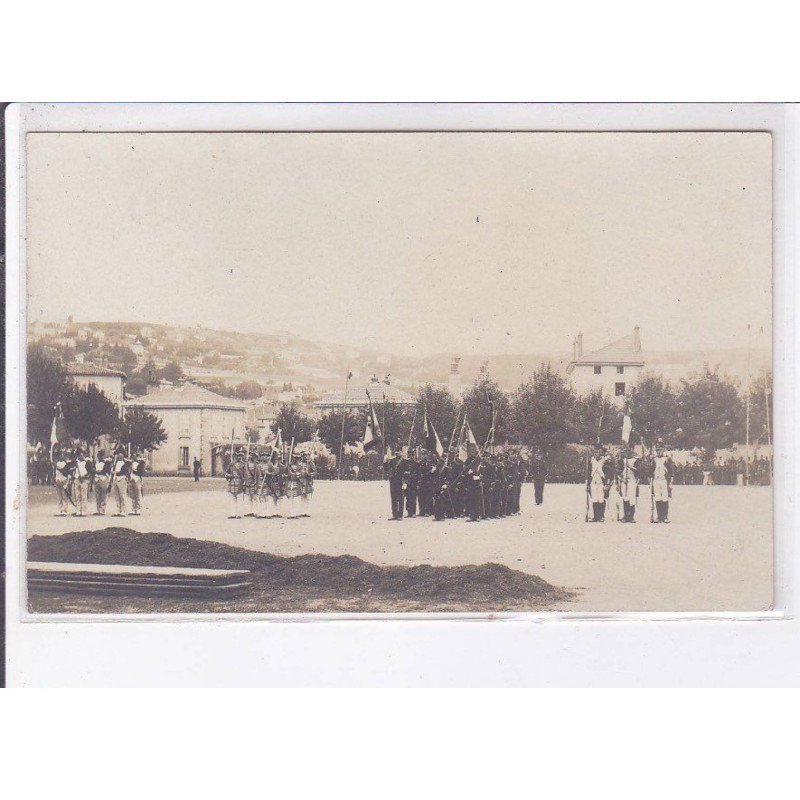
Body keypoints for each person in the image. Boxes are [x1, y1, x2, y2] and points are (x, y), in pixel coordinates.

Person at [586, 444, 613, 522]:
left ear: (600, 452)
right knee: (594, 499)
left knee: (601, 499)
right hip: (593, 482)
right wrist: (587, 484)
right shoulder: (591, 460)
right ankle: (596, 516)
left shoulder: (605, 461)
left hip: (601, 482)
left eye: (598, 452)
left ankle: (601, 516)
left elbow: (608, 473)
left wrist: (607, 484)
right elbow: (588, 473)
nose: (596, 453)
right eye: (595, 452)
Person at [650, 441, 674, 523]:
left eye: (660, 450)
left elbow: (671, 472)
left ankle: (665, 516)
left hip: (664, 481)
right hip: (656, 481)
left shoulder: (666, 459)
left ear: (663, 451)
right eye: (657, 450)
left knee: (665, 498)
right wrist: (650, 482)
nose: (659, 452)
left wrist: (671, 483)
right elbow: (650, 471)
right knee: (657, 498)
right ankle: (659, 516)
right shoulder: (654, 460)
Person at [385, 445, 410, 520]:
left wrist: (405, 482)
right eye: (397, 451)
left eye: (400, 451)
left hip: (401, 482)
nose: (398, 452)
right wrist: (385, 462)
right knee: (394, 499)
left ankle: (400, 515)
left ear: (402, 452)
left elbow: (407, 472)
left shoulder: (405, 461)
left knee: (401, 499)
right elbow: (386, 469)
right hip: (393, 481)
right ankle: (394, 515)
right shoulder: (392, 460)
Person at [617, 445, 641, 522]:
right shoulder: (622, 460)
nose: (626, 453)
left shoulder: (635, 460)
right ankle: (626, 515)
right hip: (624, 481)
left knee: (632, 499)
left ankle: (631, 516)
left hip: (632, 481)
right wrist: (621, 480)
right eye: (625, 451)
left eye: (628, 451)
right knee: (625, 498)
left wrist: (630, 467)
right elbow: (618, 472)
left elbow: (639, 471)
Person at [109, 445, 131, 516]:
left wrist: (114, 472)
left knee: (122, 495)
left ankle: (123, 510)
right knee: (117, 495)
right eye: (118, 454)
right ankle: (118, 510)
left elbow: (123, 471)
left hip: (122, 479)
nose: (119, 455)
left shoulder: (126, 463)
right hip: (116, 479)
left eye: (120, 453)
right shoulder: (115, 463)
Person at [225, 448, 246, 519]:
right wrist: (229, 476)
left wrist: (244, 483)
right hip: (232, 483)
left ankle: (239, 514)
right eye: (237, 455)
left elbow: (246, 475)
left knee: (239, 499)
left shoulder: (243, 465)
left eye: (240, 455)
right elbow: (226, 473)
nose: (238, 457)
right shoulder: (231, 464)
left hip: (240, 483)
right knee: (232, 499)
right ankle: (233, 513)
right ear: (235, 456)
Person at [52, 445, 73, 516]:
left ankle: (64, 510)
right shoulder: (56, 463)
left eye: (63, 455)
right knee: (59, 496)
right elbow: (55, 473)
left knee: (64, 496)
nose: (61, 456)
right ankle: (59, 510)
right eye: (60, 455)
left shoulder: (67, 464)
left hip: (64, 480)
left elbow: (66, 472)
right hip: (57, 480)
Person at [93, 448, 113, 515]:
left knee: (103, 495)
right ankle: (98, 509)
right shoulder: (96, 463)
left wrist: (99, 472)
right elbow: (93, 470)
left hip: (103, 479)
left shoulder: (107, 463)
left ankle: (102, 510)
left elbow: (106, 471)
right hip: (97, 479)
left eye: (101, 456)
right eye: (99, 456)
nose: (99, 457)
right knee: (97, 495)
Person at [128, 449, 146, 515]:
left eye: (134, 456)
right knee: (132, 495)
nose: (133, 457)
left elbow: (141, 472)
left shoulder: (140, 463)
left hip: (137, 479)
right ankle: (133, 509)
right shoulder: (130, 463)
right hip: (131, 479)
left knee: (138, 494)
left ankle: (138, 509)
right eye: (132, 456)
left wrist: (133, 470)